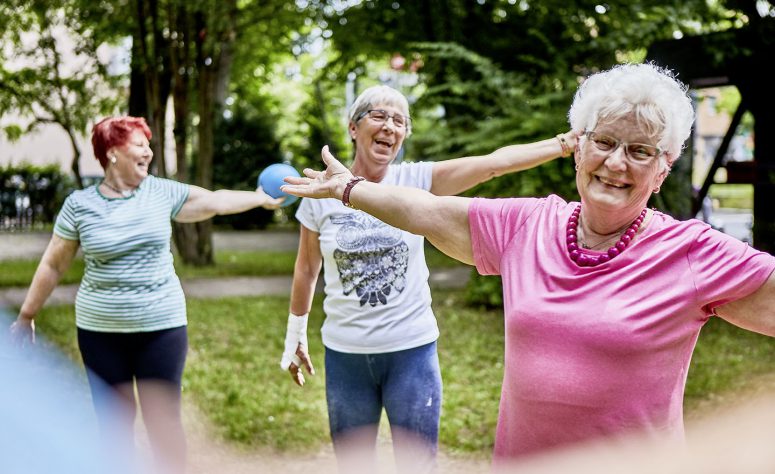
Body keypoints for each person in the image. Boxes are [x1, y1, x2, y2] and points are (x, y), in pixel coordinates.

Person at [280, 64, 775, 465]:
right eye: (603, 142)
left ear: (663, 168)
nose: (617, 163)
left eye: (640, 151)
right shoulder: (528, 225)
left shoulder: (691, 252)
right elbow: (427, 211)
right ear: (578, 148)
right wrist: (349, 189)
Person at [279, 84, 576, 473]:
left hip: (411, 351)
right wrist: (295, 332)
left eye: (400, 121)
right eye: (380, 116)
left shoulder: (416, 179)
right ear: (354, 128)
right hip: (345, 354)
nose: (390, 127)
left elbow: (492, 164)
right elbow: (306, 267)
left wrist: (565, 143)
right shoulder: (321, 191)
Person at [8, 116, 284, 474]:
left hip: (162, 326)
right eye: (140, 144)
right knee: (114, 425)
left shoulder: (160, 192)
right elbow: (53, 264)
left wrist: (259, 199)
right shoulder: (79, 205)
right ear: (112, 153)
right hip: (101, 331)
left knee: (164, 422)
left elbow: (214, 201)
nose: (148, 151)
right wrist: (27, 315)